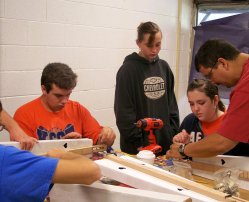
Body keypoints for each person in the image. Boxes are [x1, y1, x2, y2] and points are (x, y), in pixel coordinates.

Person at [0, 100, 101, 202]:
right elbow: (93, 172)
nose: (64, 101)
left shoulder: (77, 108)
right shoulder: (7, 158)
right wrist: (63, 154)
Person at [166, 39, 249, 159]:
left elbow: (222, 142)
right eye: (191, 104)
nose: (213, 82)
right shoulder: (190, 122)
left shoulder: (245, 87)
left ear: (223, 63)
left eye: (209, 75)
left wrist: (183, 150)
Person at [114, 21, 179, 155]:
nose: (154, 50)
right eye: (149, 45)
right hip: (138, 148)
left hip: (164, 144)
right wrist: (138, 143)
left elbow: (172, 106)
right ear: (138, 43)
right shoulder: (127, 71)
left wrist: (172, 133)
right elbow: (124, 114)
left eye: (158, 45)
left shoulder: (164, 67)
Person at [14, 63, 116, 147]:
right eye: (59, 96)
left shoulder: (77, 109)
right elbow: (26, 158)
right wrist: (63, 146)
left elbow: (101, 145)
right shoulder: (24, 114)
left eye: (68, 94)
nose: (65, 101)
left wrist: (107, 137)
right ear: (44, 89)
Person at [173, 79, 249, 156]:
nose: (196, 108)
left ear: (215, 100)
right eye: (191, 104)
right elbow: (176, 154)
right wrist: (178, 142)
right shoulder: (189, 121)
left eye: (201, 103)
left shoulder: (233, 123)